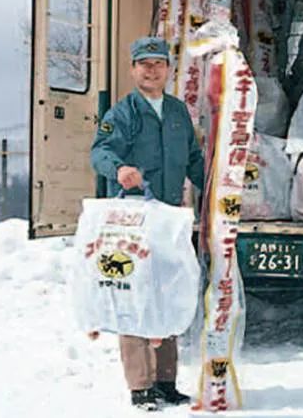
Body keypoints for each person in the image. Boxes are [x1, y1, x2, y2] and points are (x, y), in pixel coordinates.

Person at [88, 36, 204, 412]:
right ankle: (141, 387)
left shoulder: (176, 112)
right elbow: (100, 152)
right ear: (133, 69)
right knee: (133, 299)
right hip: (132, 221)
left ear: (169, 70)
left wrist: (218, 188)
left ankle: (166, 382)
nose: (151, 70)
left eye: (158, 63)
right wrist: (119, 168)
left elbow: (192, 157)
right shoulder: (122, 114)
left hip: (169, 218)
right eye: (144, 64)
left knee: (167, 294)